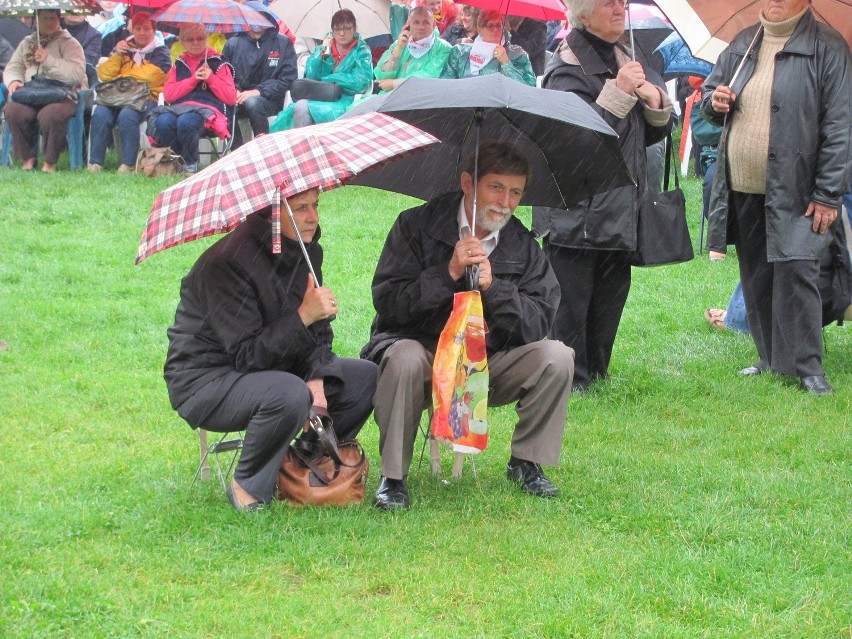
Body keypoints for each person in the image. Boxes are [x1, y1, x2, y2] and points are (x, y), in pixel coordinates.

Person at [362, 141, 574, 510]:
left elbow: (538, 321)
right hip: (422, 350)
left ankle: (526, 463)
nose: (505, 202)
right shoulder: (415, 225)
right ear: (467, 183)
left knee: (557, 356)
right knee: (406, 357)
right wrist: (449, 273)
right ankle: (393, 477)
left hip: (486, 362)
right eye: (495, 187)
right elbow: (389, 302)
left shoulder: (522, 244)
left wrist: (496, 289)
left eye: (515, 192)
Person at [165, 189, 378, 512]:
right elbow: (247, 356)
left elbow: (318, 333)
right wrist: (303, 315)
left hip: (273, 367)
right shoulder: (225, 264)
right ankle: (247, 485)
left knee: (366, 377)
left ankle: (300, 464)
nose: (313, 217)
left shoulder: (306, 252)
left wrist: (317, 375)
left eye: (315, 205)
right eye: (301, 208)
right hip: (205, 380)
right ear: (272, 213)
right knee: (290, 393)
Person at [702, 0, 850, 396]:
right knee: (756, 273)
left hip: (799, 185)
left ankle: (808, 369)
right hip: (744, 183)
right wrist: (715, 103)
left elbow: (840, 126)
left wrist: (827, 193)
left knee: (799, 270)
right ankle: (770, 358)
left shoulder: (829, 47)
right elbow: (710, 100)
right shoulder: (743, 44)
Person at [531, 0, 672, 392]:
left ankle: (597, 370)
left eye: (621, 3)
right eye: (608, 3)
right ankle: (571, 378)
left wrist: (657, 102)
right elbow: (577, 143)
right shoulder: (566, 68)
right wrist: (619, 91)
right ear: (584, 14)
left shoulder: (627, 53)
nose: (619, 9)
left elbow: (646, 133)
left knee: (610, 295)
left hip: (618, 207)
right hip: (576, 210)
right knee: (572, 300)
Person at [2, 9, 87, 172]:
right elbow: (14, 66)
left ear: (59, 19)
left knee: (50, 115)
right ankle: (28, 159)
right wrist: (14, 80)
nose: (49, 22)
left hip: (62, 94)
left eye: (52, 18)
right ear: (37, 19)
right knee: (14, 110)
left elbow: (76, 74)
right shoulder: (28, 42)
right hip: (32, 93)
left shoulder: (70, 43)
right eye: (45, 18)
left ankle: (50, 163)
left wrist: (48, 60)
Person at [147, 22, 236, 174]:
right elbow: (169, 94)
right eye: (190, 39)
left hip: (208, 113)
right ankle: (175, 162)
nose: (195, 43)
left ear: (207, 38)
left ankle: (190, 164)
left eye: (200, 38)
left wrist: (212, 79)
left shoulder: (219, 63)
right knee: (163, 122)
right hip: (179, 109)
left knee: (186, 121)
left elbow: (231, 98)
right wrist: (193, 80)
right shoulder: (179, 64)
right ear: (182, 42)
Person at [88, 12, 170, 173]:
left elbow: (150, 77)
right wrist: (118, 55)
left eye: (146, 28)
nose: (141, 32)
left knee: (127, 115)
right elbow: (104, 74)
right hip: (118, 97)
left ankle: (128, 163)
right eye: (137, 28)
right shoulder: (124, 48)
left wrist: (122, 77)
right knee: (100, 113)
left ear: (154, 30)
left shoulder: (161, 52)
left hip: (146, 98)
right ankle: (95, 163)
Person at [270, 10, 372, 131]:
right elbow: (310, 76)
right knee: (300, 107)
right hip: (319, 95)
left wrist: (330, 80)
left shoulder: (362, 51)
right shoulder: (324, 48)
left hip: (345, 98)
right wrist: (322, 55)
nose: (342, 33)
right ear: (332, 30)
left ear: (354, 28)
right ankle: (304, 144)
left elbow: (360, 82)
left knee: (307, 108)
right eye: (337, 29)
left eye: (347, 28)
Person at [222, 2, 296, 149]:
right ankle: (237, 151)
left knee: (253, 103)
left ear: (267, 19)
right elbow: (224, 75)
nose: (256, 23)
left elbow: (288, 79)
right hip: (239, 97)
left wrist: (259, 91)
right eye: (252, 18)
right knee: (225, 106)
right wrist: (233, 91)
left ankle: (263, 150)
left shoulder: (282, 43)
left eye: (260, 19)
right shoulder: (232, 44)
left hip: (271, 100)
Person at [440, 10, 536, 86]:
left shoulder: (518, 55)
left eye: (498, 26)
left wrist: (506, 64)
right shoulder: (460, 52)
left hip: (500, 108)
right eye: (490, 26)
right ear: (479, 29)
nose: (495, 30)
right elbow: (446, 83)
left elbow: (528, 90)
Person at [373, 5, 451, 93]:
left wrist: (395, 84)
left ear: (433, 25)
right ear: (409, 25)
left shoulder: (443, 48)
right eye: (416, 22)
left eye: (426, 22)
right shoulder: (401, 43)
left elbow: (428, 76)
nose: (421, 27)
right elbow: (382, 76)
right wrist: (398, 49)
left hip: (421, 97)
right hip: (391, 95)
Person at [391, 0, 458, 39]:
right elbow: (408, 30)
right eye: (432, 4)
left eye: (438, 2)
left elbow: (452, 31)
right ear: (424, 4)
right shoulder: (418, 12)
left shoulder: (450, 9)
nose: (436, 7)